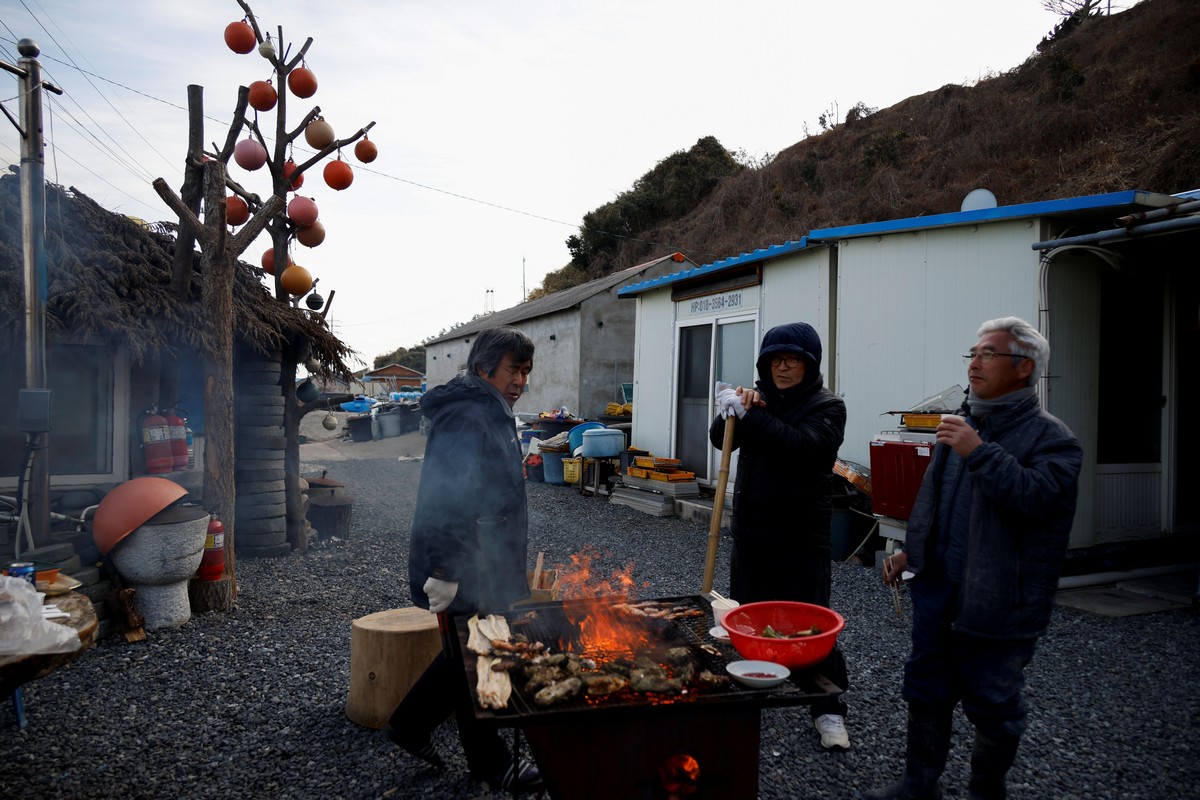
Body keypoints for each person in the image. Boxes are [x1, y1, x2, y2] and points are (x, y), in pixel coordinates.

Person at [867, 317, 1083, 800]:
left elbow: (1034, 499)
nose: (975, 362)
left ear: (1024, 368)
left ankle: (986, 792)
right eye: (973, 352)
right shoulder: (965, 422)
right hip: (939, 591)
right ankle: (919, 784)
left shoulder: (1053, 439)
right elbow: (935, 504)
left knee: (995, 705)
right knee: (925, 689)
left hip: (1000, 604)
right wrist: (910, 554)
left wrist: (979, 451)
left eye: (988, 354)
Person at [387, 326, 542, 794]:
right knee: (482, 651)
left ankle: (409, 725)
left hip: (487, 558)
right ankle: (491, 763)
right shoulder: (467, 417)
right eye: (514, 369)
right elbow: (446, 498)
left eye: (526, 372)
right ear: (483, 368)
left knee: (463, 651)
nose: (521, 380)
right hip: (468, 561)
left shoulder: (488, 410)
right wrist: (446, 570)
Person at [708, 321, 851, 751]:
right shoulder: (757, 400)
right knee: (746, 622)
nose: (783, 368)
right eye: (775, 360)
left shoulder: (828, 407)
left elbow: (805, 448)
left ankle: (829, 710)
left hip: (801, 538)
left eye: (792, 360)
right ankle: (754, 695)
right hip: (751, 534)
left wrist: (755, 412)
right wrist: (731, 408)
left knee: (811, 627)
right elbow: (721, 440)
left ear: (810, 365)